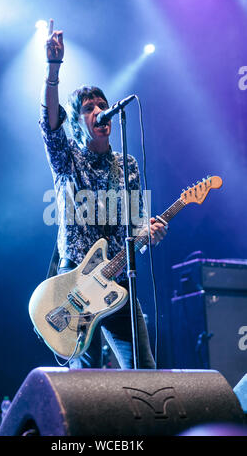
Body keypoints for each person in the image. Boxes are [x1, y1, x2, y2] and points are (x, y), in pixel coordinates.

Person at [39, 19, 168, 369]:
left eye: (102, 103)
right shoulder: (68, 159)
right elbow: (50, 124)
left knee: (145, 372)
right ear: (79, 122)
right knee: (86, 383)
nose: (99, 110)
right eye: (89, 107)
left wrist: (149, 236)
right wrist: (53, 69)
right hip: (77, 284)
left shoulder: (127, 164)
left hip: (118, 280)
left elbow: (136, 229)